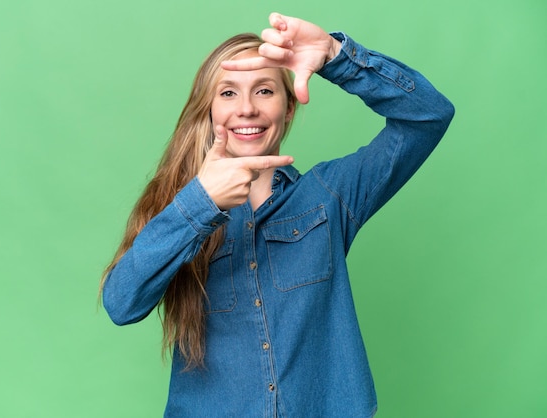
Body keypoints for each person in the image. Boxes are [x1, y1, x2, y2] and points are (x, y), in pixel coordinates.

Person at [100, 12, 454, 417]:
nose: (247, 109)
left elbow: (428, 116)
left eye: (264, 90)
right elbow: (121, 303)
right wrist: (202, 203)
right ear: (209, 112)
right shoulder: (178, 206)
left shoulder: (329, 196)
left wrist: (335, 57)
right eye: (228, 93)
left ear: (288, 109)